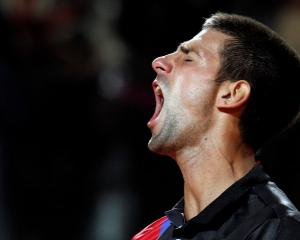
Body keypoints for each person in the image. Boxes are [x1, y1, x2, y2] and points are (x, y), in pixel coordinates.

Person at [132, 12, 300, 240]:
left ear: (232, 94)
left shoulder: (277, 231)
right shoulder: (150, 236)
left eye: (188, 58)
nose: (159, 62)